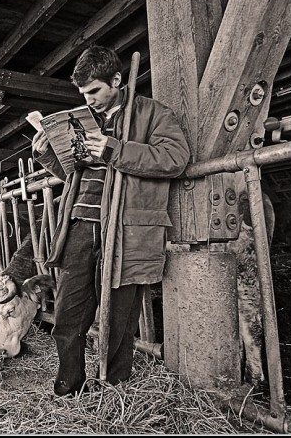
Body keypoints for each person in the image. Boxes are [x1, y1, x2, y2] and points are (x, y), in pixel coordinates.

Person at [32, 45, 190, 396]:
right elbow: (71, 173)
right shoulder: (84, 119)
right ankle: (69, 384)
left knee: (120, 316)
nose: (89, 100)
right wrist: (47, 152)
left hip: (126, 228)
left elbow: (175, 158)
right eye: (83, 94)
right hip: (78, 225)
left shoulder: (151, 114)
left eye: (94, 91)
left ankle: (115, 389)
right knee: (69, 312)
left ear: (116, 80)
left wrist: (113, 149)